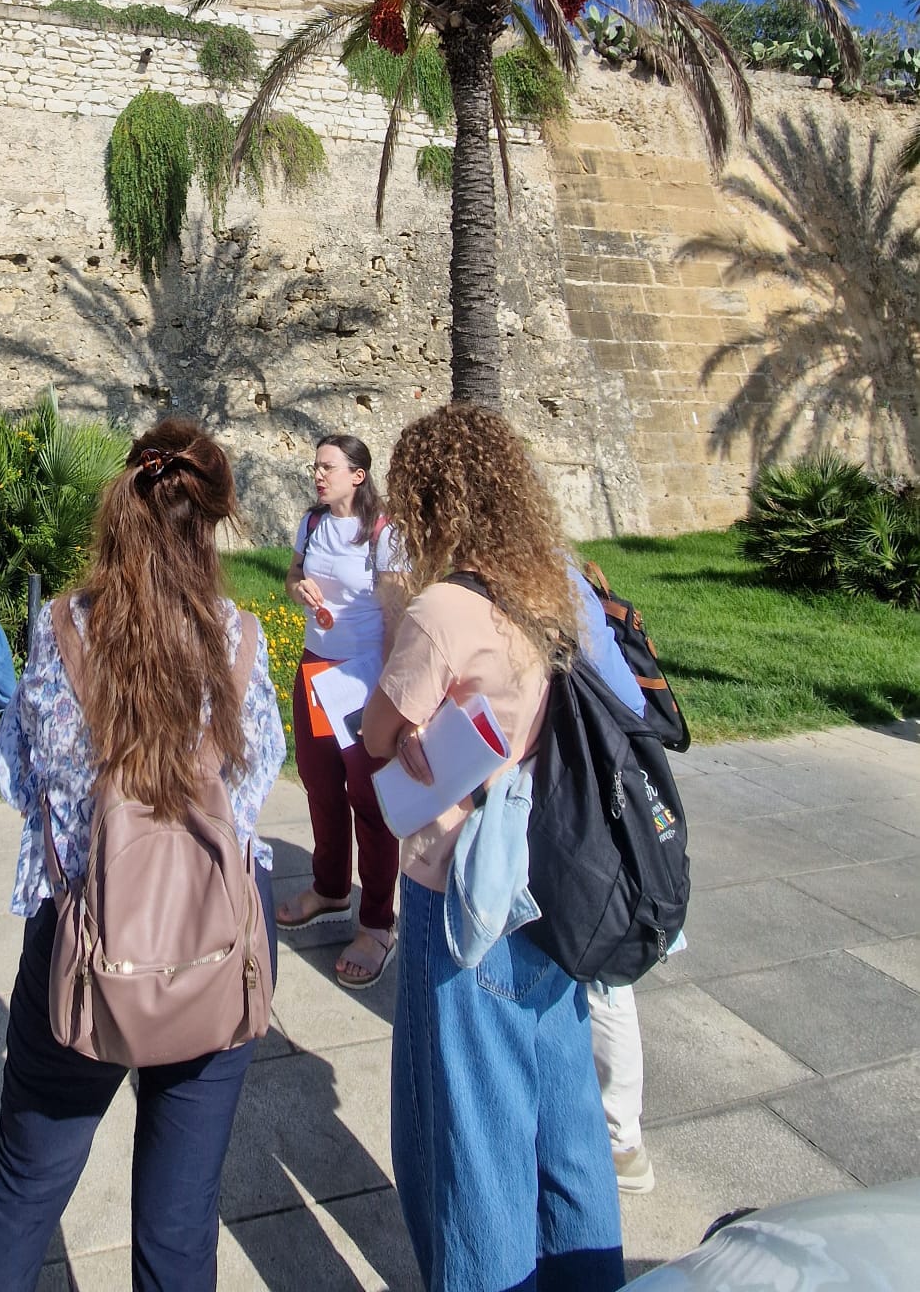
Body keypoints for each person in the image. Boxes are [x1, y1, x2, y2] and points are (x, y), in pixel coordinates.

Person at [0, 420, 286, 1292]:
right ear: (212, 523)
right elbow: (253, 789)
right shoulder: (241, 639)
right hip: (214, 942)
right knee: (180, 1218)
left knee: (24, 1187)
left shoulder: (62, 629)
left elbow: (20, 777)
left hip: (83, 936)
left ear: (121, 506)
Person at [363, 403, 623, 1292]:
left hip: (463, 883)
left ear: (431, 501)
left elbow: (377, 730)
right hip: (550, 871)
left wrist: (405, 685)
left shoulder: (444, 606)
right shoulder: (551, 587)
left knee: (468, 1134)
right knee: (566, 1125)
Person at [276, 432, 403, 988]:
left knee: (369, 799)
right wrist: (298, 587)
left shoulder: (384, 532)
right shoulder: (311, 523)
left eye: (328, 467)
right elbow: (292, 574)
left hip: (362, 678)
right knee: (320, 784)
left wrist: (391, 694)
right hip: (315, 669)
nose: (318, 475)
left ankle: (377, 923)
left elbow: (397, 615)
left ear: (358, 474)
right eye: (316, 466)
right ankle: (330, 889)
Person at [569, 564, 656, 1196]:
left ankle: (621, 1140)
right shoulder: (556, 569)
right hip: (600, 780)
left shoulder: (547, 580)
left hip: (600, 791)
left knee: (604, 974)